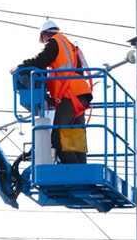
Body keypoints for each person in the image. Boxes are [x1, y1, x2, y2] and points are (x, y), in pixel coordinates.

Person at [14, 20, 93, 164]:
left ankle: (75, 171)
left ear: (44, 35)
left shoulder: (54, 42)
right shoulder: (69, 45)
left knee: (57, 135)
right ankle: (82, 170)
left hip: (70, 94)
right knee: (74, 137)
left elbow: (41, 60)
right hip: (81, 94)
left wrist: (21, 66)